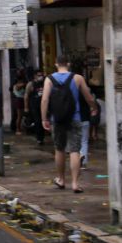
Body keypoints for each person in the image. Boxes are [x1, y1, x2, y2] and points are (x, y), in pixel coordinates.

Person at [40, 55, 97, 193]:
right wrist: (93, 107)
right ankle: (75, 184)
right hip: (75, 117)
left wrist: (44, 118)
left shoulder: (49, 79)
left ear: (56, 64)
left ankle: (61, 179)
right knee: (75, 150)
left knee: (59, 149)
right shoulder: (77, 78)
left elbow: (45, 100)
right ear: (69, 64)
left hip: (57, 119)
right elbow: (88, 96)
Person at [24, 69, 46, 145]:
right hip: (34, 106)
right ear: (35, 76)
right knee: (37, 122)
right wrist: (26, 107)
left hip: (44, 106)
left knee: (44, 121)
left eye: (42, 75)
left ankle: (42, 136)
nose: (41, 77)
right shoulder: (31, 84)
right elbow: (26, 96)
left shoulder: (45, 83)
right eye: (39, 75)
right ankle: (39, 138)